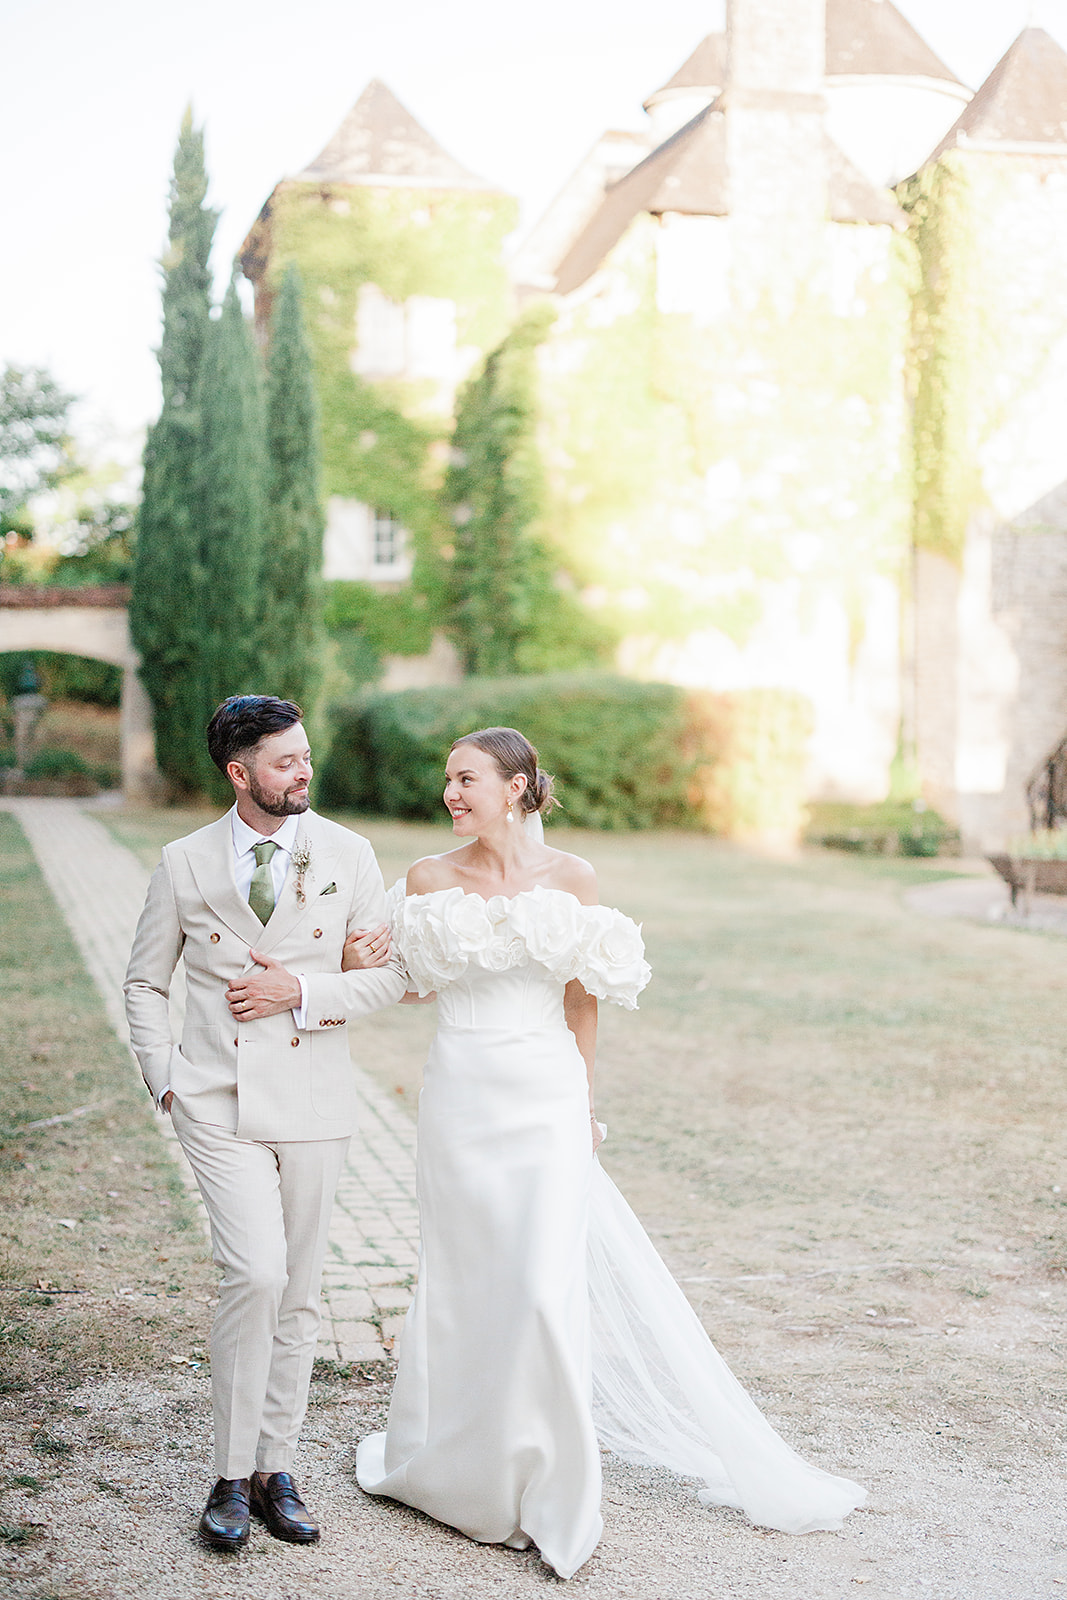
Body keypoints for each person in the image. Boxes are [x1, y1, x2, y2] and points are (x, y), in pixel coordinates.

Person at [346, 725, 866, 1579]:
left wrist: (584, 1107)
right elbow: (405, 983)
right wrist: (357, 953)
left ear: (515, 787)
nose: (451, 792)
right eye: (448, 780)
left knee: (544, 1289)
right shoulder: (428, 879)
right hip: (460, 1098)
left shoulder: (573, 879)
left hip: (544, 1095)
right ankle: (454, 1464)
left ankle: (550, 1484)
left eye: (467, 778)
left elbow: (582, 1003)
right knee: (465, 1279)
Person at [123, 695, 406, 1551]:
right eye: (285, 763)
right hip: (217, 1099)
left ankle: (274, 1468)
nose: (304, 773)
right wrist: (165, 1078)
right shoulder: (183, 860)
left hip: (316, 1099)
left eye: (306, 757)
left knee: (300, 1292)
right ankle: (226, 1471)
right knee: (254, 1274)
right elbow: (145, 981)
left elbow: (386, 979)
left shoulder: (347, 853)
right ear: (238, 773)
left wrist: (304, 992)